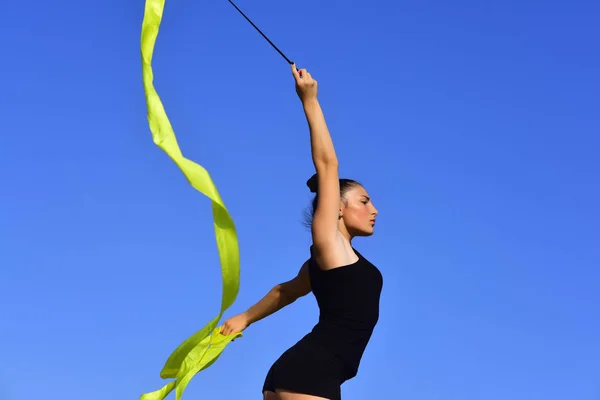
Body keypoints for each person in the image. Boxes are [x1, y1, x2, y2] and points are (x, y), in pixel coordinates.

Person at [220, 64, 382, 400]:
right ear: (336, 207)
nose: (374, 210)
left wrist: (245, 318)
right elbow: (327, 164)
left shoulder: (324, 264)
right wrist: (310, 100)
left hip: (302, 372)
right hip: (311, 373)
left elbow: (286, 291)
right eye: (364, 201)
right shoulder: (329, 244)